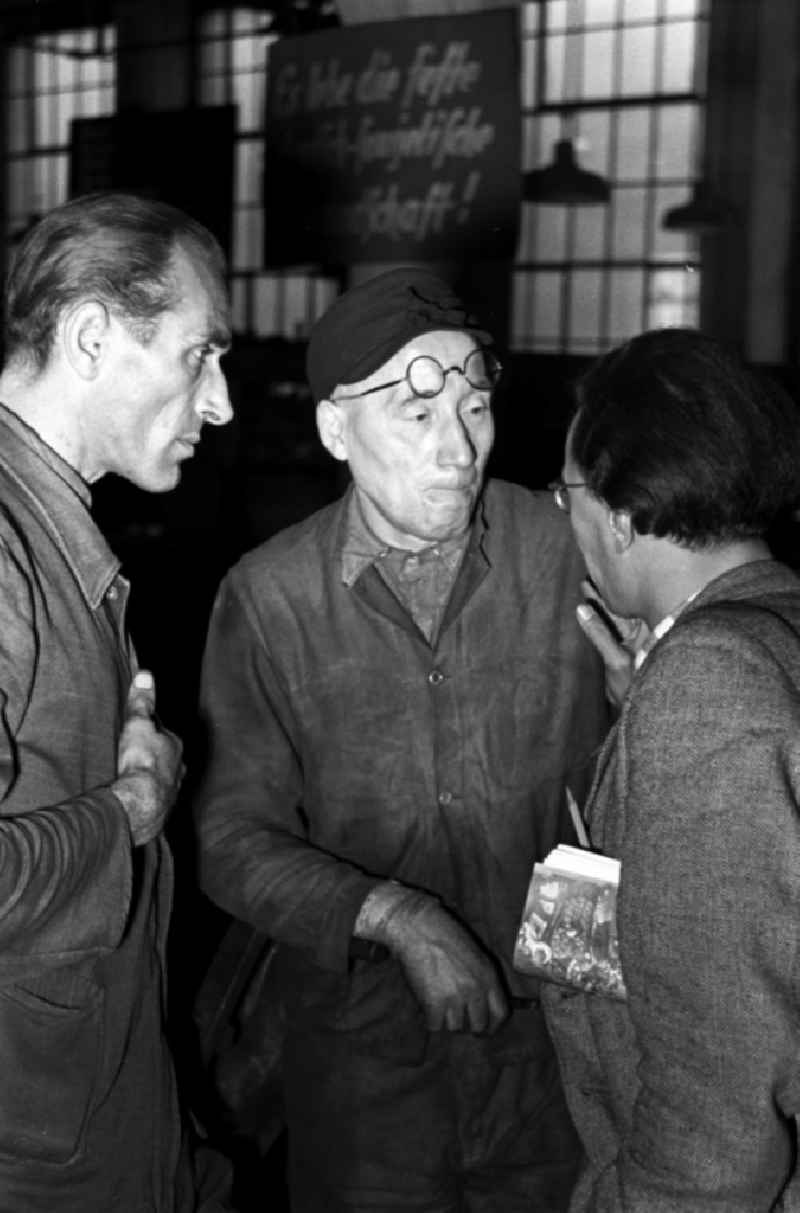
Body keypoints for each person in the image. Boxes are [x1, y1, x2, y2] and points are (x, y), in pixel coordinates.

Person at [194, 266, 609, 1211]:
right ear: (337, 429)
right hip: (366, 1077)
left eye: (473, 407)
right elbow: (229, 837)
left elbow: (622, 770)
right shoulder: (270, 598)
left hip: (553, 1068)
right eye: (417, 418)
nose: (458, 448)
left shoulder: (563, 548)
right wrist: (396, 915)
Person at [0, 190, 233, 1211]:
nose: (220, 401)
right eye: (198, 354)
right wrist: (127, 814)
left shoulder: (46, 523)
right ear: (91, 335)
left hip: (88, 1111)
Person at [543, 326, 800, 1210]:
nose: (564, 512)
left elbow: (716, 1106)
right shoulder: (767, 627)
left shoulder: (707, 684)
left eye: (566, 491)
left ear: (617, 514)